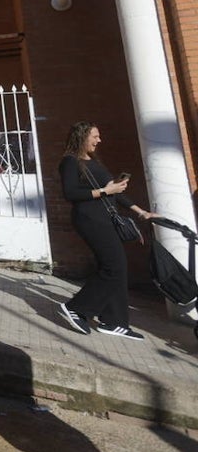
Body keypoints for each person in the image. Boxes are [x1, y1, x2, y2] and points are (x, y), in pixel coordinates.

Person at [57, 122, 156, 340]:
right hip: (89, 219)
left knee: (116, 267)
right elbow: (70, 193)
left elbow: (115, 193)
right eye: (95, 136)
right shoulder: (70, 162)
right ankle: (76, 308)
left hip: (105, 219)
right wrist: (105, 190)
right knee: (115, 265)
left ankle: (115, 322)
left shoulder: (93, 162)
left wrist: (141, 212)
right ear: (82, 137)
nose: (99, 140)